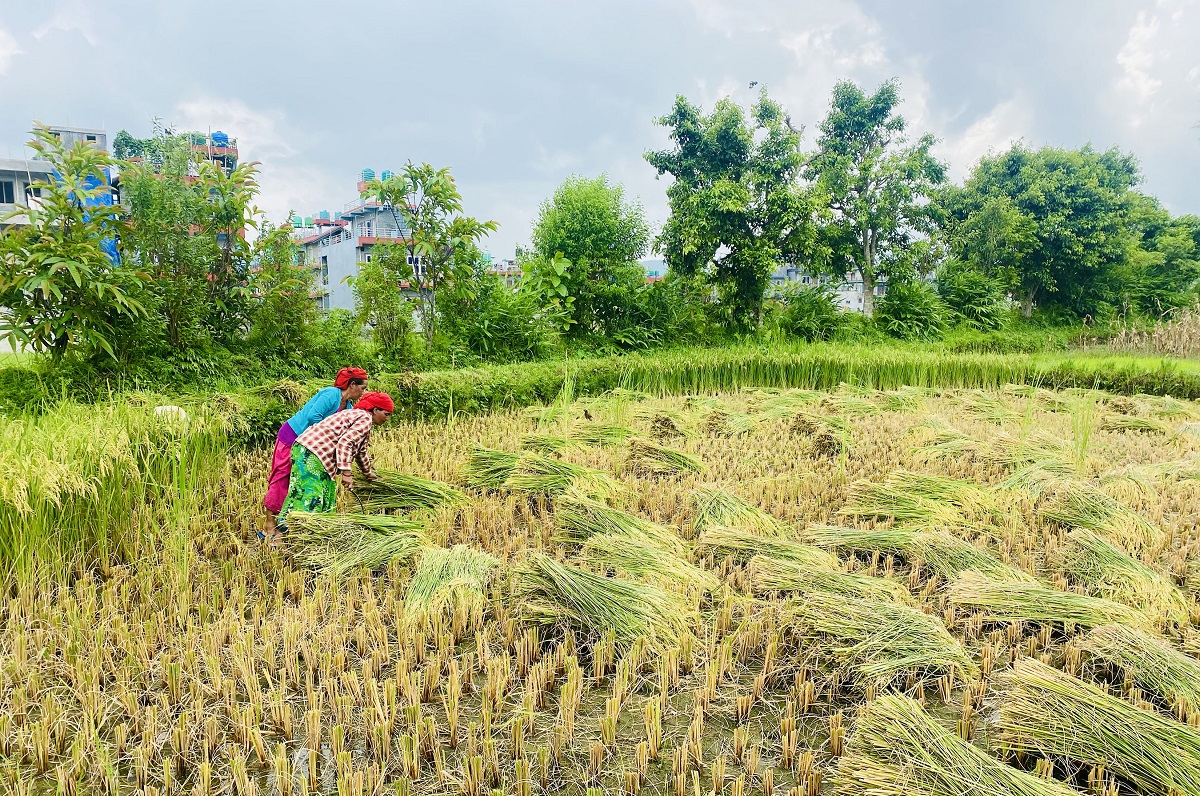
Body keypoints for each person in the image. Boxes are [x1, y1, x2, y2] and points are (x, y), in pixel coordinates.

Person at [260, 367, 369, 540]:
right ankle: (269, 524)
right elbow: (313, 417)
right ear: (352, 384)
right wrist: (325, 439)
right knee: (282, 478)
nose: (363, 393)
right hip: (292, 436)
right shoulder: (331, 394)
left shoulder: (348, 407)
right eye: (363, 388)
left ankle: (290, 525)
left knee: (297, 484)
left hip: (310, 447)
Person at [274, 391, 395, 536]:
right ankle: (299, 535)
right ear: (375, 410)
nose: (387, 418)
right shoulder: (365, 419)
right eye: (386, 414)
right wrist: (346, 473)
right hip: (312, 454)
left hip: (307, 451)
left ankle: (303, 532)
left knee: (323, 493)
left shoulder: (359, 417)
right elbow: (346, 442)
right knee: (311, 495)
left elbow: (361, 451)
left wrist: (368, 473)